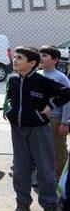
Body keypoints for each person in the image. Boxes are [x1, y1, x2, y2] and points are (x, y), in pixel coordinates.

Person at [4, 46, 70, 211]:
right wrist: (10, 110)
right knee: (20, 168)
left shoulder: (42, 80)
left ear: (32, 63)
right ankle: (22, 205)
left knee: (45, 169)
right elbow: (11, 98)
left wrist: (50, 106)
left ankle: (50, 208)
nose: (15, 60)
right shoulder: (14, 80)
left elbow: (66, 93)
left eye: (19, 58)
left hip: (38, 129)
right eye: (15, 57)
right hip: (17, 129)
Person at [38, 45, 70, 181]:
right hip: (39, 119)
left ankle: (59, 179)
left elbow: (67, 102)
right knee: (41, 151)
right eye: (40, 54)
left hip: (55, 120)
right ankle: (43, 177)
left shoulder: (61, 78)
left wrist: (64, 122)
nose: (40, 57)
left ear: (56, 60)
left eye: (45, 55)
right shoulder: (37, 75)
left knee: (59, 151)